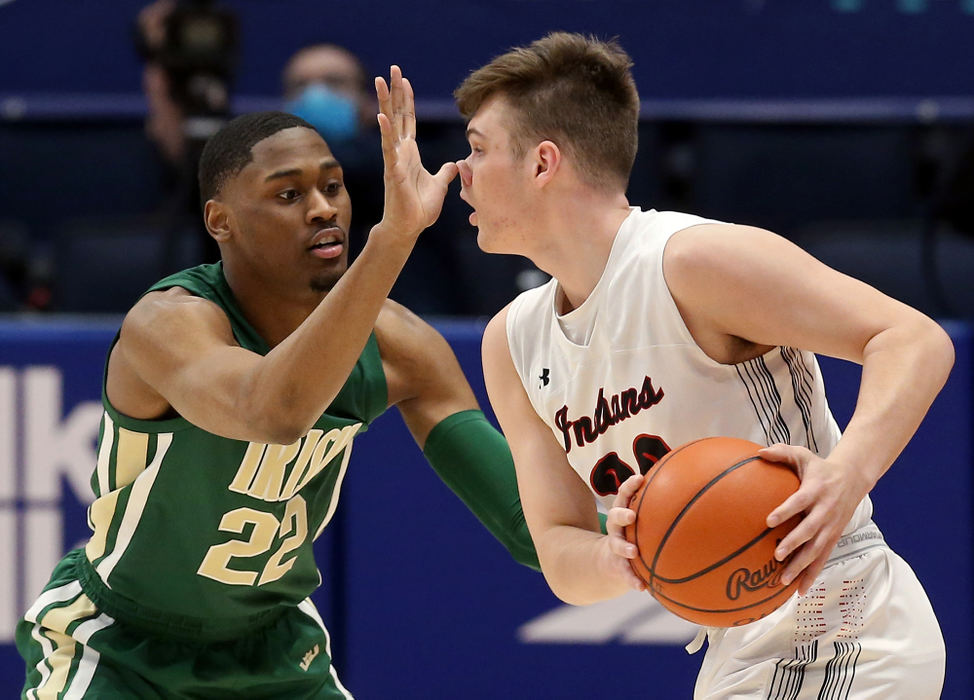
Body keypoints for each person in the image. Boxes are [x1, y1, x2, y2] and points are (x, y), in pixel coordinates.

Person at [456, 32, 950, 698]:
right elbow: (559, 550)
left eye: (480, 149)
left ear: (543, 163)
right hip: (736, 644)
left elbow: (912, 338)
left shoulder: (690, 263)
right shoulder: (510, 342)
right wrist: (618, 556)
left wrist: (845, 474)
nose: (461, 170)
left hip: (840, 618)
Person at [17, 67, 537, 698]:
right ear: (221, 221)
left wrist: (632, 536)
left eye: (333, 186)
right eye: (288, 195)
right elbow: (273, 411)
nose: (323, 207)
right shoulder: (167, 324)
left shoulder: (401, 347)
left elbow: (524, 521)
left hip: (276, 648)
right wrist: (394, 238)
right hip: (123, 646)